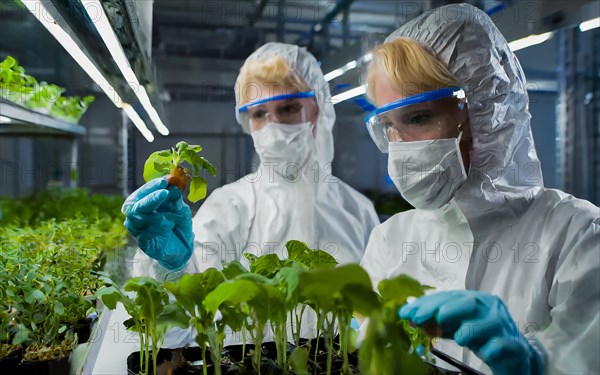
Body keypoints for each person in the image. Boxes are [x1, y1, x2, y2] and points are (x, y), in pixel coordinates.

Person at [359, 3, 599, 374]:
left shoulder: (577, 236)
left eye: (419, 118)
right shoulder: (389, 240)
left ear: (488, 111)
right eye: (389, 126)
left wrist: (534, 365)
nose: (401, 146)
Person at [122, 42, 379, 343]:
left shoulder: (358, 211)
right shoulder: (231, 206)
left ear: (318, 109)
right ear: (248, 122)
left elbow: (377, 316)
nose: (273, 126)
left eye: (287, 108)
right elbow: (175, 334)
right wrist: (169, 268)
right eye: (259, 114)